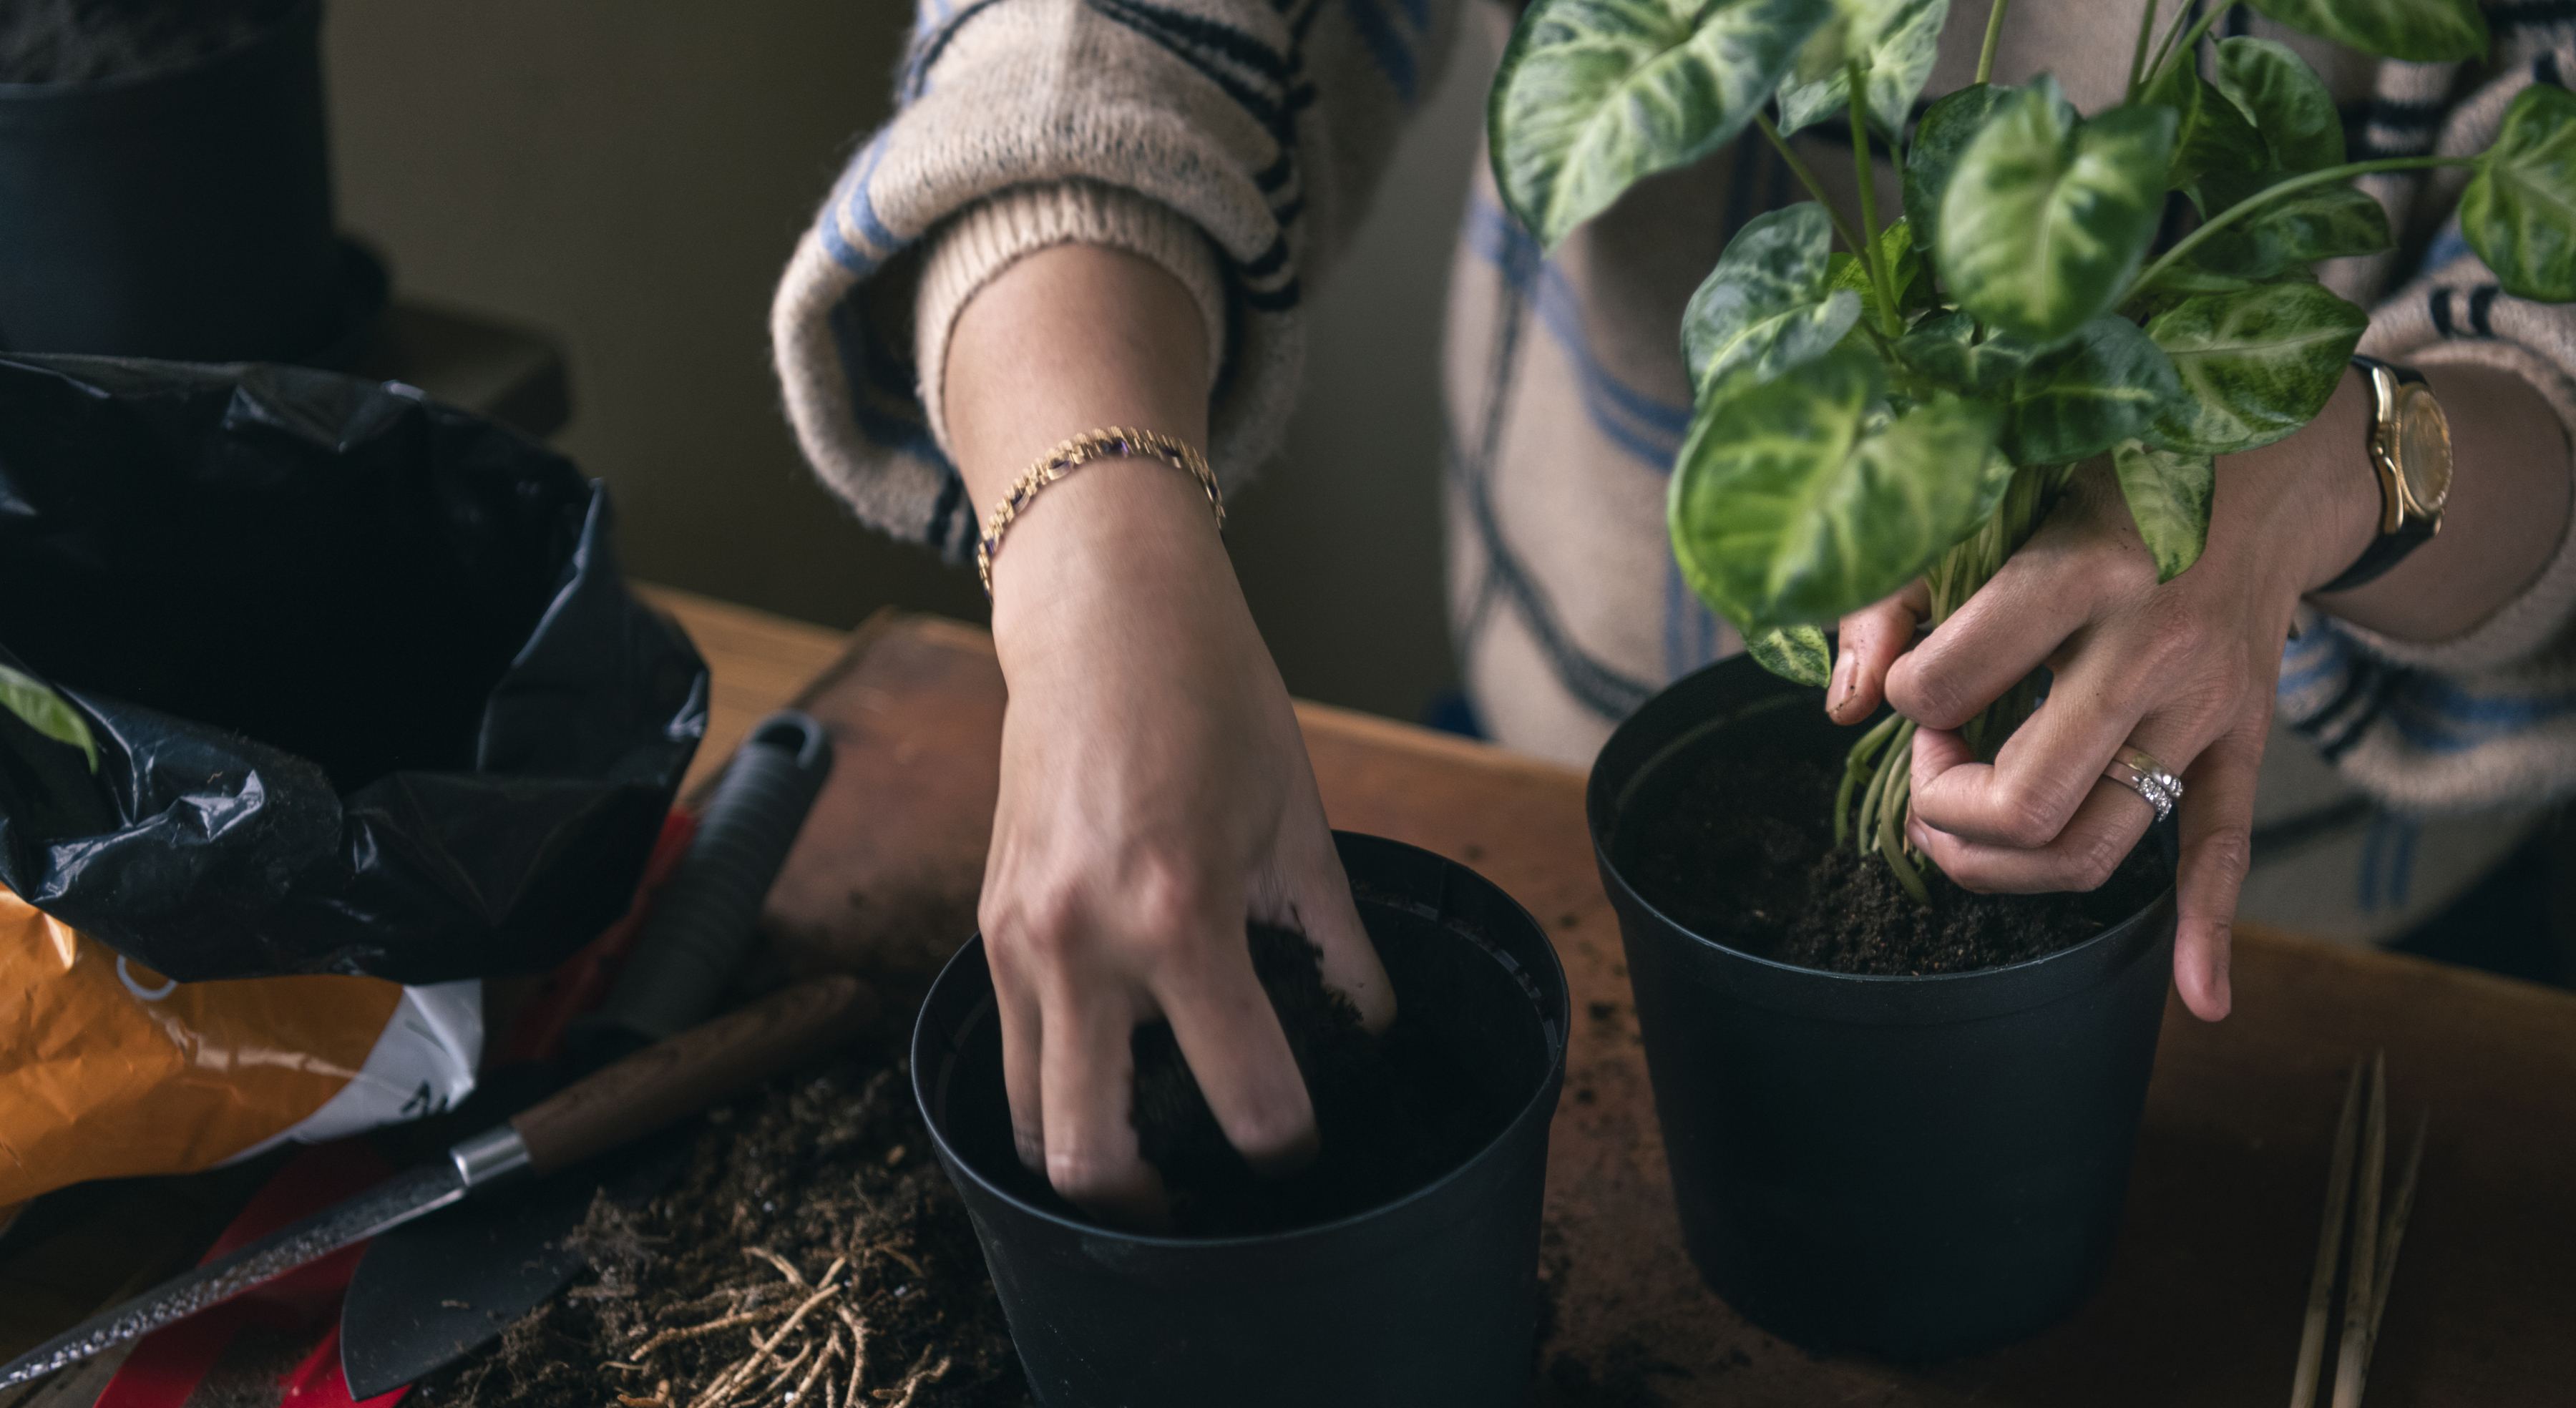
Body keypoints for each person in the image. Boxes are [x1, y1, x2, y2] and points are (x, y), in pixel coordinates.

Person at [770, 4, 2576, 1226]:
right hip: (1572, 734)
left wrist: (2348, 455)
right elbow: (1106, 40)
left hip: (2363, 929)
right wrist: (1088, 543)